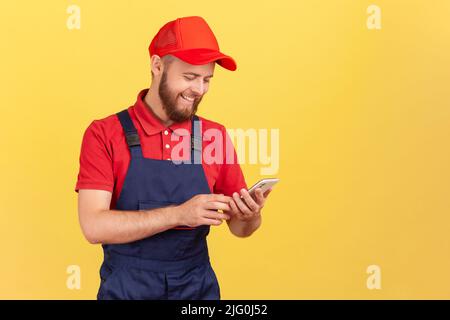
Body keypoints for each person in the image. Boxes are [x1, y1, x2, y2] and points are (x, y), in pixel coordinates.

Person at [75, 16, 272, 300]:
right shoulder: (104, 133)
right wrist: (179, 214)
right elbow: (94, 227)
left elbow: (241, 229)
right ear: (157, 66)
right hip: (127, 290)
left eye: (207, 80)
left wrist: (251, 215)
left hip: (197, 290)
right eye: (190, 77)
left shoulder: (212, 135)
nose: (199, 90)